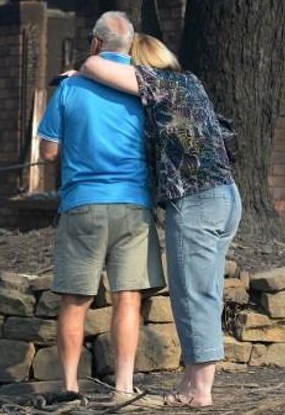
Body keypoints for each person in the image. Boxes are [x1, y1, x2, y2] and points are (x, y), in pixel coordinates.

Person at [80, 33, 242, 408]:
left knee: (191, 293)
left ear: (140, 63)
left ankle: (200, 389)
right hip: (227, 195)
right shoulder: (189, 83)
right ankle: (193, 378)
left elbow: (93, 65)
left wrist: (82, 70)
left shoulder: (156, 82)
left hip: (196, 199)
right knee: (207, 289)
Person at [37, 12, 165, 399]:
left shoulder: (70, 89)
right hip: (132, 205)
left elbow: (48, 152)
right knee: (128, 297)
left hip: (83, 206)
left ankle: (70, 387)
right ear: (130, 47)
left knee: (75, 301)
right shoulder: (144, 89)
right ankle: (124, 388)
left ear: (95, 44)